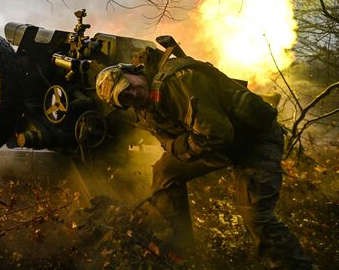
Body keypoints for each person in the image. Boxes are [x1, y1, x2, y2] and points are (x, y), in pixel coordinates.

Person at [94, 44, 312, 269]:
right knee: (165, 171)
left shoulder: (177, 81)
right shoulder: (146, 104)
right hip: (220, 147)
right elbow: (171, 138)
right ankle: (184, 252)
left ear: (132, 72)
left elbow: (216, 134)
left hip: (254, 141)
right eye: (124, 98)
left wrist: (179, 149)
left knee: (258, 218)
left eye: (126, 86)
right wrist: (175, 147)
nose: (131, 94)